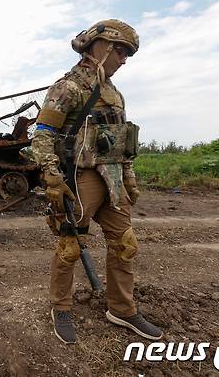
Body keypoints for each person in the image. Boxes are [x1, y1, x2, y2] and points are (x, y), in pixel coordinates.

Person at [31, 19, 162, 344]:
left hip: (114, 179)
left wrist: (129, 178)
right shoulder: (68, 87)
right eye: (120, 50)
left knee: (125, 244)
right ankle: (60, 307)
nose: (124, 59)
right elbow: (43, 136)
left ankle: (122, 308)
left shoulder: (115, 94)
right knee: (70, 245)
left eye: (128, 53)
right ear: (99, 47)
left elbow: (120, 142)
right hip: (80, 176)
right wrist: (52, 177)